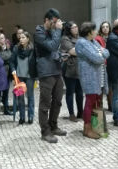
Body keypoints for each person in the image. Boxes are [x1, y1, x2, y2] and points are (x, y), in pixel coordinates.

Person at [34, 8, 66, 143]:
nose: (55, 25)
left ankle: (53, 126)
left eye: (57, 22)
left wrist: (60, 55)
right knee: (45, 103)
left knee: (58, 100)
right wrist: (58, 31)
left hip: (56, 69)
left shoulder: (52, 31)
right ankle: (45, 131)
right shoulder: (39, 33)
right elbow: (52, 46)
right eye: (54, 22)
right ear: (46, 20)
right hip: (46, 72)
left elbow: (55, 50)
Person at [76, 22, 109, 139]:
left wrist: (100, 53)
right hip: (89, 77)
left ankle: (96, 126)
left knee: (96, 101)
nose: (96, 32)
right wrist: (100, 54)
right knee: (90, 101)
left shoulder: (93, 41)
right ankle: (87, 128)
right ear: (89, 32)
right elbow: (97, 58)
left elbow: (106, 52)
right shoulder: (82, 43)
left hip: (98, 76)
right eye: (94, 30)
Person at [10, 31, 37, 124]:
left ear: (28, 39)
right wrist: (13, 70)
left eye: (23, 37)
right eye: (20, 38)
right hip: (19, 77)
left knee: (30, 96)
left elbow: (36, 63)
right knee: (20, 98)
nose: (21, 39)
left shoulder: (33, 49)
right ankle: (22, 117)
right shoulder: (16, 49)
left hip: (30, 76)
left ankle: (30, 116)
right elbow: (12, 61)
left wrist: (37, 77)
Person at [60, 21, 83, 122]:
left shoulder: (80, 38)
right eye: (73, 27)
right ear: (69, 29)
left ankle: (80, 112)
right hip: (70, 68)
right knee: (70, 92)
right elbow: (72, 51)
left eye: (76, 27)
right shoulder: (65, 38)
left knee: (80, 92)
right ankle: (71, 114)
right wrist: (84, 51)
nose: (76, 29)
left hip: (80, 68)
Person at [0, 32, 13, 118]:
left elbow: (10, 56)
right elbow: (2, 58)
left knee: (6, 92)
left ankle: (6, 109)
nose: (4, 40)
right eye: (1, 38)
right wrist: (6, 53)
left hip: (7, 73)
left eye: (4, 38)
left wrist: (6, 50)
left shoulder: (6, 48)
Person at [95, 21, 113, 112]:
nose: (105, 28)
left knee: (110, 87)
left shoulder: (113, 37)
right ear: (101, 29)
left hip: (112, 64)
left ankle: (111, 105)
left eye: (107, 26)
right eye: (103, 27)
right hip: (102, 65)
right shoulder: (98, 38)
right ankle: (99, 106)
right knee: (101, 87)